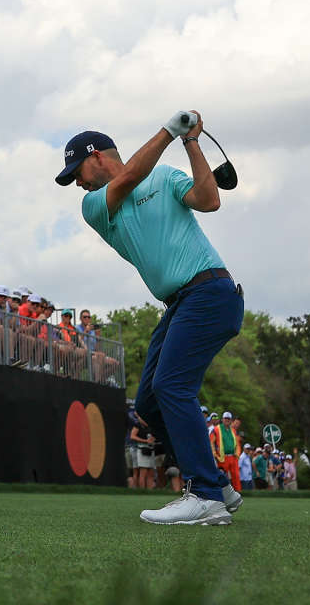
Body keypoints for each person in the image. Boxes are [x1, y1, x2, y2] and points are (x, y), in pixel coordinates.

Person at [57, 111, 243, 526]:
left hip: (210, 292)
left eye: (78, 171)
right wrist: (169, 131)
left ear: (99, 156)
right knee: (149, 402)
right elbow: (127, 181)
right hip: (182, 303)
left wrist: (190, 142)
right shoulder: (95, 206)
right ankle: (214, 482)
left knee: (171, 385)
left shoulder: (164, 178)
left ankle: (206, 495)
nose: (78, 183)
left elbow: (209, 200)